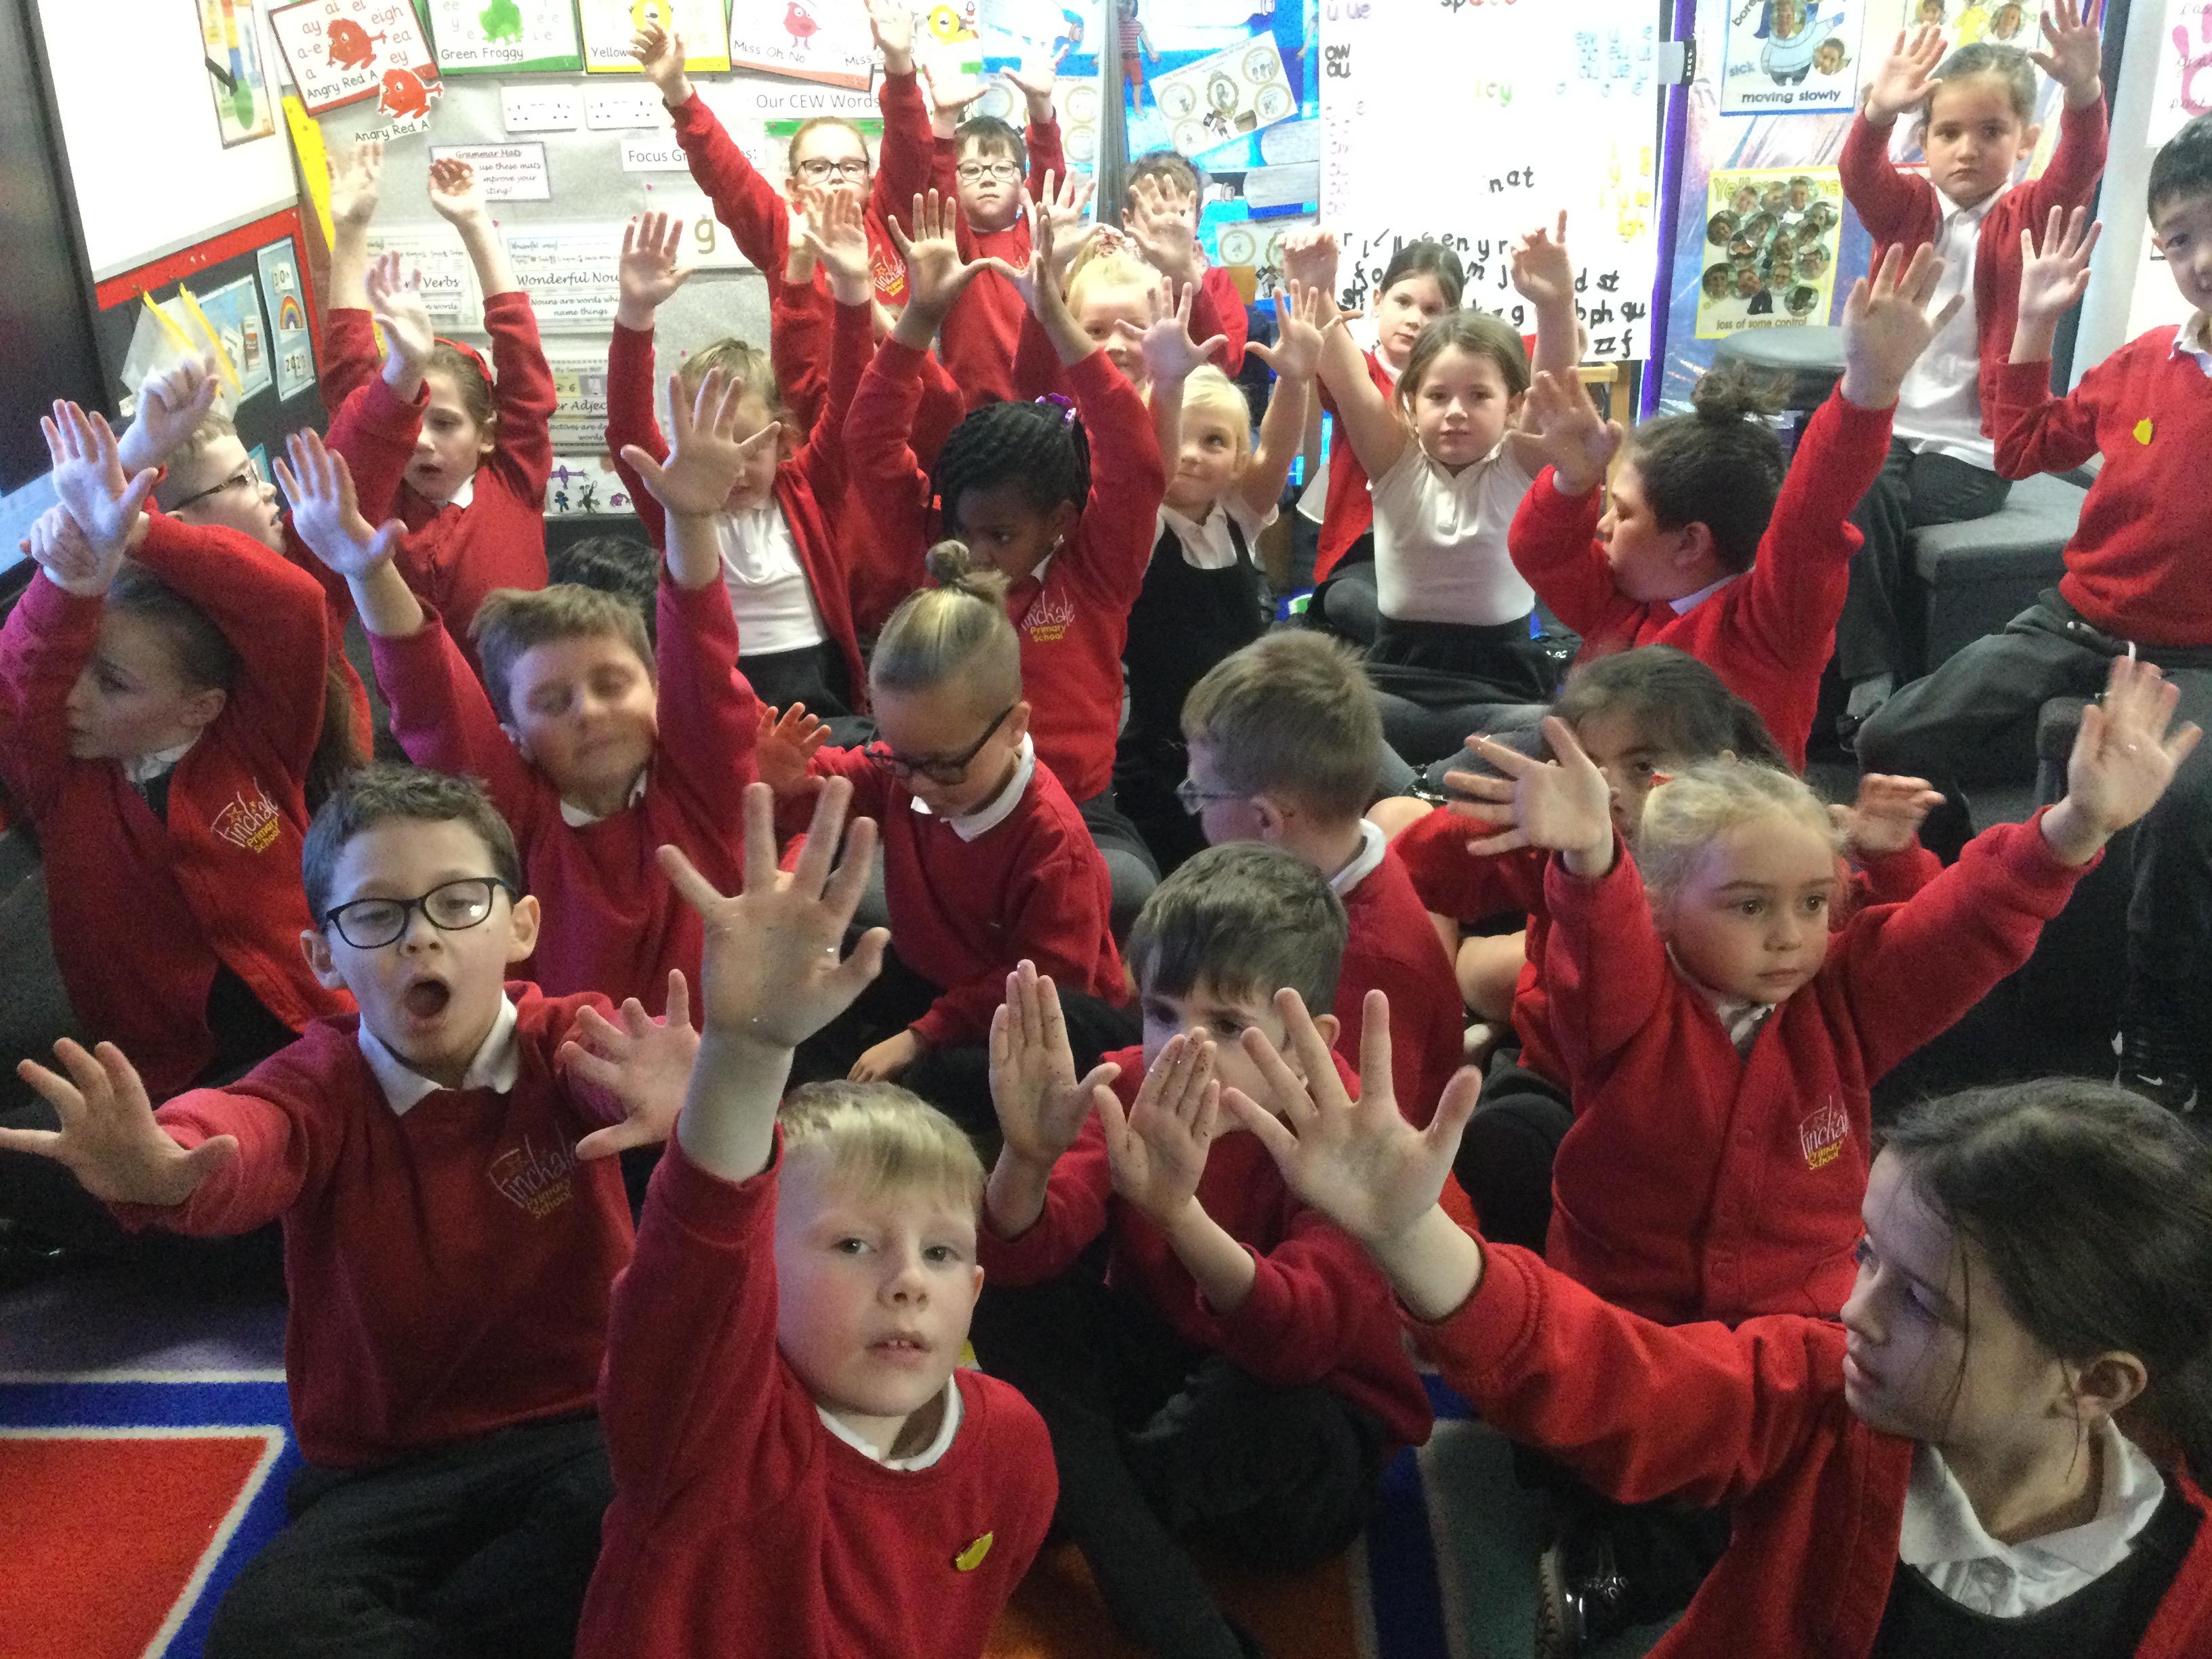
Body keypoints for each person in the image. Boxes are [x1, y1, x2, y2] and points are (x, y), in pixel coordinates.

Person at [1228, 1008, 2212, 1659]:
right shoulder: (1821, 1397)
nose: (1854, 1309)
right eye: (1867, 1256)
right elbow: (1618, 1378)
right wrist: (1410, 1236)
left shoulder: (2182, 1587)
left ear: (2096, 1384)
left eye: (1919, 1301)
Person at [0, 763, 695, 1658]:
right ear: (323, 956)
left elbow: (618, 1071)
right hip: (384, 1468)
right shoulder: (317, 1085)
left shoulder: (563, 1037)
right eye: (375, 915)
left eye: (459, 903)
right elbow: (242, 1135)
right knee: (268, 1632)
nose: (421, 938)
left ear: (521, 925)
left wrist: (682, 1098)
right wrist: (166, 1167)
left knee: (649, 1525)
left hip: (577, 1432)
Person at [1454, 653, 2192, 1328]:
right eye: (1750, 906)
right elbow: (1600, 941)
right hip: (1634, 1332)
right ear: (1659, 909)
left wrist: (2079, 824)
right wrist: (1589, 855)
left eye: (1812, 902)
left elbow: (1963, 925)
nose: (1789, 935)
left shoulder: (1842, 996)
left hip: (1803, 1327)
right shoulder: (1626, 1007)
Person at [971, 845, 1433, 1659]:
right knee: (1005, 1296)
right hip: (1166, 1379)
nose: (1181, 1048)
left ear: (1308, 1041)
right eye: (1160, 1012)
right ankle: (1112, 1524)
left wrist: (1178, 1215)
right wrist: (1027, 1159)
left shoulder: (1348, 1136)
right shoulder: (1126, 1082)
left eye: (1225, 1026)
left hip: (1301, 1441)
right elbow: (1022, 1253)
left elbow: (1299, 1345)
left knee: (1261, 1411)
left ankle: (1089, 1511)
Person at [1862, 129, 2212, 1112]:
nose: (2203, 260)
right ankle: (1950, 904)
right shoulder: (2145, 362)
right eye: (2181, 239)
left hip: (2196, 657)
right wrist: (2034, 325)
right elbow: (2019, 448)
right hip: (2077, 619)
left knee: (2180, 815)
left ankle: (2156, 1020)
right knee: (1895, 736)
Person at [1382, 648, 1947, 1253]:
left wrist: (1891, 858)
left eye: (1644, 765)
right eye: (1588, 768)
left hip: (1722, 1086)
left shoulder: (1769, 852)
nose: (1609, 791)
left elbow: (1890, 946)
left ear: (1722, 772)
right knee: (1504, 1146)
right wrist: (1513, 818)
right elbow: (1419, 873)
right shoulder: (1559, 849)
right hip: (1562, 1077)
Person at [283, 371, 762, 1017]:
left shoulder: (703, 788)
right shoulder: (516, 817)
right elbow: (431, 695)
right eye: (552, 702)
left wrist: (691, 518)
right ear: (514, 737)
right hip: (560, 1065)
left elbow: (701, 646)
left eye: (612, 684)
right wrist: (367, 573)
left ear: (658, 694)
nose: (589, 711)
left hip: (710, 1063)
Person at [0, 403, 351, 1107]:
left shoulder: (256, 740)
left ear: (201, 707)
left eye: (112, 683)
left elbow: (291, 607)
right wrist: (74, 580)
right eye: (76, 669)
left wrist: (141, 533)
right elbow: (23, 676)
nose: (74, 698)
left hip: (308, 1020)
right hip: (168, 1070)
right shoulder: (64, 779)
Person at [1503, 243, 1956, 771]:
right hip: (1606, 808)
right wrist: (1572, 481)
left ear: (1690, 542)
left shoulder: (1769, 625)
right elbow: (1541, 553)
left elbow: (1810, 515)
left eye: (1622, 513)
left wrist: (1869, 388)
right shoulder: (1623, 595)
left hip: (1724, 823)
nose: (1603, 525)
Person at [845, 190, 1166, 932]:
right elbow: (869, 440)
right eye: (966, 531)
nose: (979, 554)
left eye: (1002, 536)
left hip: (1077, 807)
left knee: (1124, 894)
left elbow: (1133, 458)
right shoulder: (935, 551)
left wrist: (1056, 318)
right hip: (937, 808)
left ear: (1060, 523)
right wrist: (920, 316)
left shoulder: (1096, 567)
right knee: (866, 908)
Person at [754, 543, 1128, 1124]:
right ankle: (819, 1117)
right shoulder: (912, 767)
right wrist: (791, 777)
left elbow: (1043, 989)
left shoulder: (1053, 846)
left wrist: (922, 1035)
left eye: (946, 766)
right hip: (938, 977)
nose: (920, 785)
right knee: (815, 976)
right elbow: (840, 781)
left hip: (1034, 1015)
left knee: (941, 1079)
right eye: (900, 759)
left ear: (1015, 726)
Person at [1834, 12, 2108, 741]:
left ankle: (1869, 675)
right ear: (1924, 141)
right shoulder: (1906, 208)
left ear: (2024, 140)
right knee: (1856, 488)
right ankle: (1867, 671)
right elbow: (1858, 173)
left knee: (1866, 505)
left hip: (1973, 450)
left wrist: (2084, 94)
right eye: (1949, 132)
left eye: (1991, 132)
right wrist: (1878, 111)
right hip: (1894, 425)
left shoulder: (2026, 214)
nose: (1967, 149)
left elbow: (2079, 167)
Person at [1310, 214, 1580, 765]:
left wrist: (1555, 301)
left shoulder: (1518, 464)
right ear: (1410, 403)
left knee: (1553, 734)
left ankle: (1423, 789)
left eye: (1479, 396)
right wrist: (1316, 285)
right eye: (1437, 397)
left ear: (1513, 407)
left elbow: (1553, 381)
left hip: (1499, 694)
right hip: (1394, 684)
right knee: (1313, 721)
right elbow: (1348, 379)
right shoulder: (1393, 461)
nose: (1456, 412)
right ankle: (1428, 788)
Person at [1181, 632, 1465, 1130]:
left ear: (1265, 820)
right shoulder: (1326, 868)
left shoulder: (1367, 972)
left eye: (1200, 794)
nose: (1195, 808)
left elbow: (1348, 1143)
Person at [605, 197, 870, 726]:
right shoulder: (680, 505)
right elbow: (629, 430)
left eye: (751, 448)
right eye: (716, 449)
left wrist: (853, 289)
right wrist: (635, 315)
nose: (736, 469)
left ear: (783, 440)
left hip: (823, 691)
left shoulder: (809, 489)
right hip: (725, 689)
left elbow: (850, 404)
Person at [628, 5, 930, 424]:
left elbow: (910, 145)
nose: (836, 177)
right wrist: (677, 89)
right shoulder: (786, 233)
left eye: (850, 166)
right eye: (818, 167)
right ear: (794, 187)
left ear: (870, 178)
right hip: (816, 430)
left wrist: (898, 63)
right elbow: (723, 171)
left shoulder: (891, 221)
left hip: (902, 422)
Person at [1118, 285, 1323, 872]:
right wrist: (1167, 385)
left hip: (1242, 743)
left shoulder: (1237, 519)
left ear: (1237, 461)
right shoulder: (1144, 525)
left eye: (1213, 441)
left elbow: (1277, 450)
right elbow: (1147, 469)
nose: (1191, 454)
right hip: (1159, 756)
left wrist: (1296, 380)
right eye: (1179, 435)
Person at [321, 155, 556, 666]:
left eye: (445, 423)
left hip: (526, 697)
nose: (421, 440)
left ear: (487, 434)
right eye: (411, 423)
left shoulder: (515, 478)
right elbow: (348, 376)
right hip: (418, 704)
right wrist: (351, 229)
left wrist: (474, 223)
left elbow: (521, 358)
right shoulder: (381, 495)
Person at [1279, 231, 1465, 613]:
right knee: (1348, 601)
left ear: (1454, 318)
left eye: (1432, 310)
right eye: (1404, 302)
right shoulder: (1361, 367)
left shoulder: (1461, 385)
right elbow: (1340, 361)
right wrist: (1316, 287)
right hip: (1362, 548)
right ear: (1378, 300)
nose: (1414, 320)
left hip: (1443, 545)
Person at [931, 63, 1071, 406]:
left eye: (1002, 168)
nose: (988, 178)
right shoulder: (956, 247)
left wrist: (1041, 106)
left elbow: (1049, 177)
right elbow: (938, 182)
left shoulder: (1033, 237)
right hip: (973, 413)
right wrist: (944, 123)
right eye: (972, 170)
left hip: (1044, 406)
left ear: (1022, 180)